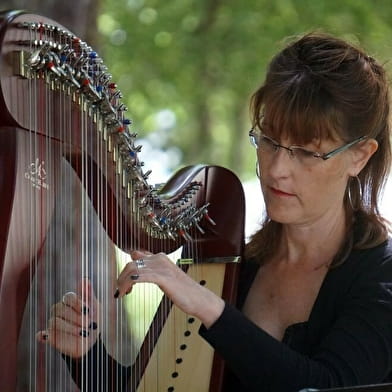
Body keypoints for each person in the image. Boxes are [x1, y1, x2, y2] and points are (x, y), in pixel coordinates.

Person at [37, 32, 392, 392]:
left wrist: (211, 308)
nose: (276, 169)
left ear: (359, 156)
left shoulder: (381, 278)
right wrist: (86, 354)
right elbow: (158, 385)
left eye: (306, 151)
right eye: (269, 140)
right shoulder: (238, 265)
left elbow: (325, 385)